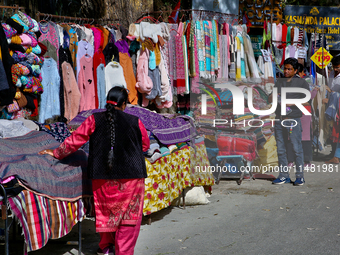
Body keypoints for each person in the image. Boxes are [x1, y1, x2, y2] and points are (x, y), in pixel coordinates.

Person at [39, 87, 150, 255]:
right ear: (124, 104)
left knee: (107, 212)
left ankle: (106, 248)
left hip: (102, 176)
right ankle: (124, 251)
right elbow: (145, 146)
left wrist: (56, 153)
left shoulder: (93, 119)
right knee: (129, 218)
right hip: (132, 178)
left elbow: (75, 141)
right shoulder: (135, 121)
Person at [269, 58, 310, 186]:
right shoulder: (280, 82)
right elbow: (271, 97)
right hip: (279, 119)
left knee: (296, 148)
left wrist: (292, 103)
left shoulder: (301, 83)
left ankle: (299, 176)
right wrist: (274, 95)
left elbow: (307, 101)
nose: (286, 71)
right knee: (280, 149)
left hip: (293, 120)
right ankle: (283, 176)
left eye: (289, 69)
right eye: (285, 68)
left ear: (295, 70)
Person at [324, 56, 340, 164]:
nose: (335, 69)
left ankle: (336, 156)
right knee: (334, 130)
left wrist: (331, 91)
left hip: (337, 106)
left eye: (337, 67)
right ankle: (334, 153)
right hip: (332, 106)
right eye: (334, 67)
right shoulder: (331, 74)